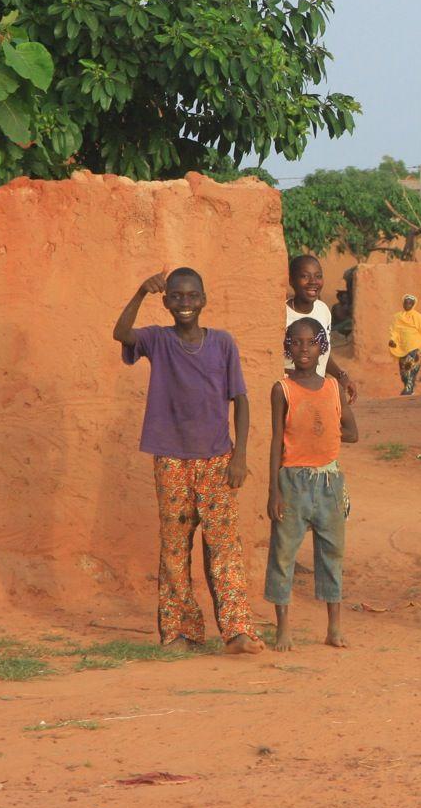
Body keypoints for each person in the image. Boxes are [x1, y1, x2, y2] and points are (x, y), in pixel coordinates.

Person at [113, 267, 264, 654]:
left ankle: (237, 631)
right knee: (176, 547)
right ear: (165, 302)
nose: (184, 304)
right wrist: (139, 292)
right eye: (176, 297)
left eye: (191, 296)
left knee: (225, 545)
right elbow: (122, 333)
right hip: (171, 460)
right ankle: (180, 632)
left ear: (203, 300)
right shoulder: (158, 341)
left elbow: (241, 400)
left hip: (217, 458)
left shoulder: (222, 344)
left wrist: (239, 455)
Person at [267, 317, 360, 651]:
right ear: (287, 348)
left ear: (322, 347)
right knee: (283, 554)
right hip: (292, 480)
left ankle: (334, 628)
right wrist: (273, 491)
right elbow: (277, 440)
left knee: (332, 553)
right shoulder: (282, 389)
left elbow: (352, 432)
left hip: (328, 480)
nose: (303, 349)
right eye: (296, 343)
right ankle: (284, 629)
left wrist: (324, 431)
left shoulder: (333, 387)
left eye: (311, 343)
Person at [286, 255, 358, 401]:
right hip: (291, 394)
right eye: (305, 276)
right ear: (291, 281)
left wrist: (341, 376)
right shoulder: (282, 315)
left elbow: (322, 353)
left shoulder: (322, 310)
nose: (313, 282)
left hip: (318, 391)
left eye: (318, 276)